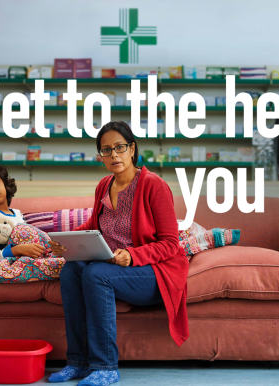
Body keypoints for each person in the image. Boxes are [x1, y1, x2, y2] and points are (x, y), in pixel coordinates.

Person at [48, 121, 189, 386]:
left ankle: (105, 366)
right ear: (100, 157)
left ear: (132, 149)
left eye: (120, 147)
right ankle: (77, 362)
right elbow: (94, 226)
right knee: (70, 271)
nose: (114, 155)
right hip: (113, 266)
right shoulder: (104, 185)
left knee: (95, 273)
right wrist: (66, 241)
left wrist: (132, 256)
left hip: (154, 272)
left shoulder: (154, 185)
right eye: (106, 150)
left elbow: (171, 243)